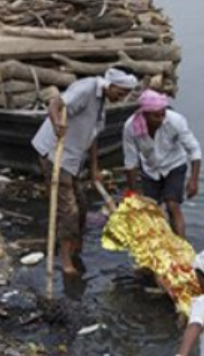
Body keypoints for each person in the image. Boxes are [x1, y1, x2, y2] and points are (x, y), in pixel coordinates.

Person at [31, 67, 138, 277]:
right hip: (55, 153)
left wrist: (94, 168)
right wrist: (56, 123)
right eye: (121, 92)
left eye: (126, 94)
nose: (122, 97)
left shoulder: (102, 103)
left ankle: (75, 244)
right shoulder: (86, 89)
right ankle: (65, 261)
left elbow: (93, 135)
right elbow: (55, 103)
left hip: (73, 158)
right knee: (68, 209)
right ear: (111, 84)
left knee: (82, 204)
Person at [122, 89, 201, 239]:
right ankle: (160, 249)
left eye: (162, 114)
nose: (160, 119)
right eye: (156, 116)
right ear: (144, 114)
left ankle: (182, 248)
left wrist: (194, 180)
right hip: (150, 169)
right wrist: (133, 193)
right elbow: (130, 161)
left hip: (174, 164)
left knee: (173, 205)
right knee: (152, 210)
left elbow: (194, 150)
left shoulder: (175, 121)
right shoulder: (130, 127)